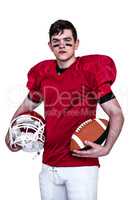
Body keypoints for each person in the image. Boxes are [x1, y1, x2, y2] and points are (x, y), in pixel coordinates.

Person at [5, 19, 124, 200]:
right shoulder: (44, 73)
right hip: (49, 164)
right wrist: (11, 133)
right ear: (50, 45)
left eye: (68, 41)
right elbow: (26, 107)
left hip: (81, 166)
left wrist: (107, 147)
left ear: (76, 44)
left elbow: (116, 112)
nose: (62, 46)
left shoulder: (90, 71)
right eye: (56, 42)